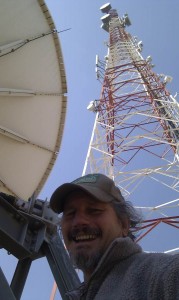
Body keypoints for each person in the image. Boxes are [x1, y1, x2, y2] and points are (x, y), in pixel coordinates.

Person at [50, 173, 179, 300]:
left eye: (94, 210)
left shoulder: (163, 275)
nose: (78, 221)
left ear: (124, 224)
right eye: (70, 213)